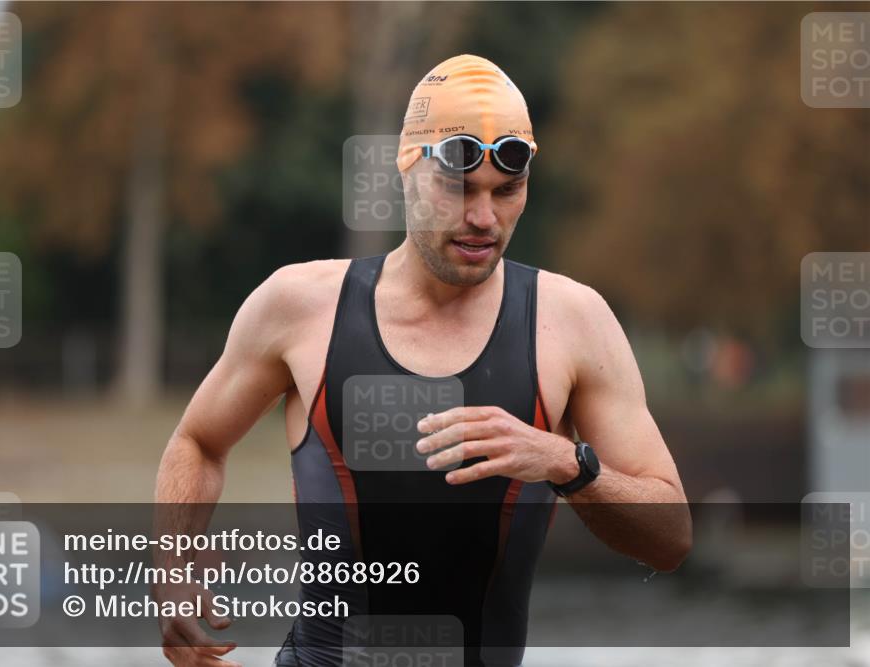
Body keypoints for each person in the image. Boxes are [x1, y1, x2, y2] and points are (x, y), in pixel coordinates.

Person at [154, 54, 691, 667]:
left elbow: (671, 539)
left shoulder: (572, 322)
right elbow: (197, 441)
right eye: (458, 189)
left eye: (506, 191)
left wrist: (563, 462)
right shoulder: (301, 306)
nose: (483, 218)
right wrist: (174, 565)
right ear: (406, 171)